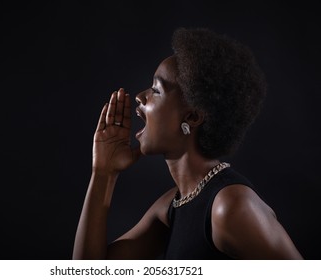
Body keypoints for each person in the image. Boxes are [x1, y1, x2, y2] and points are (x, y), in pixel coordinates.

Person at [72, 27, 303, 259]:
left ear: (192, 117)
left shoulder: (230, 206)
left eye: (156, 89)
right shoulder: (174, 205)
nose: (141, 96)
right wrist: (103, 173)